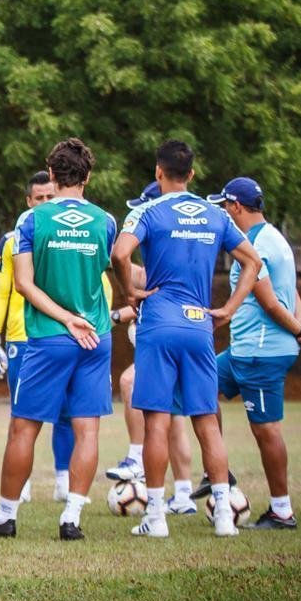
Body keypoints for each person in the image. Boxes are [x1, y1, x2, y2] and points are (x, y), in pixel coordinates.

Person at [110, 140, 261, 539]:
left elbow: (120, 254)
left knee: (157, 422)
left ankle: (156, 518)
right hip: (200, 326)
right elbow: (253, 262)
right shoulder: (217, 215)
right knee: (207, 422)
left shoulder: (147, 210)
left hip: (158, 324)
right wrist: (228, 309)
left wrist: (130, 293)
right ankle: (225, 517)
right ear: (191, 174)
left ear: (158, 172)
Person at [0, 139, 113, 541]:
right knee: (87, 430)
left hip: (50, 337)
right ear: (87, 176)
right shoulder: (106, 221)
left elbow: (23, 284)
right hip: (95, 337)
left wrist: (66, 319)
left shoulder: (30, 222)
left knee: (24, 428)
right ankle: (72, 518)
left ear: (51, 175)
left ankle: (5, 517)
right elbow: (108, 270)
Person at [207, 177, 301, 529]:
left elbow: (271, 302)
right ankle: (218, 469)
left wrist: (299, 331)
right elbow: (294, 293)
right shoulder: (275, 238)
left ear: (236, 207)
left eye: (226, 207)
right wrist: (299, 329)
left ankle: (282, 511)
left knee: (266, 430)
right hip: (245, 350)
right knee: (200, 387)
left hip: (260, 353)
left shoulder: (251, 246)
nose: (224, 213)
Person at [0, 170, 83, 503]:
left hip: (61, 331)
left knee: (69, 411)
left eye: (50, 197)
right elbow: (1, 293)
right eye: (39, 198)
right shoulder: (13, 238)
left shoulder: (71, 233)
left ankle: (62, 480)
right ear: (29, 201)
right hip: (21, 336)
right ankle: (20, 482)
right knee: (23, 414)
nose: (44, 202)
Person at [106, 181, 198, 515]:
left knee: (131, 383)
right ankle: (186, 495)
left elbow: (150, 287)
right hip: (194, 331)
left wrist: (123, 302)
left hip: (167, 336)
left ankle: (137, 458)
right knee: (177, 420)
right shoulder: (185, 245)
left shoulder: (165, 247)